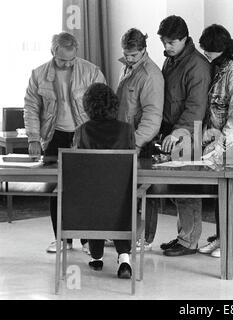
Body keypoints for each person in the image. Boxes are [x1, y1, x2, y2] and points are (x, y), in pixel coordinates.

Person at [24, 32, 106, 253]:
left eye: (71, 60)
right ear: (53, 53)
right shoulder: (38, 74)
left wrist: (100, 137)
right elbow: (31, 108)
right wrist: (33, 137)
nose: (68, 64)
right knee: (56, 189)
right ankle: (61, 238)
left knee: (87, 188)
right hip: (54, 136)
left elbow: (103, 106)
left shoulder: (91, 71)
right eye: (62, 61)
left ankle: (89, 239)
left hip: (84, 134)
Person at [156, 15, 211, 256]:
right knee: (179, 190)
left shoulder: (196, 65)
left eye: (171, 42)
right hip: (171, 131)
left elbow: (196, 107)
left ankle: (189, 242)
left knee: (188, 189)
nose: (166, 47)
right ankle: (183, 236)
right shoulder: (172, 59)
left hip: (188, 133)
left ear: (185, 39)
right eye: (164, 42)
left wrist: (178, 132)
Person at [196, 24, 233, 258]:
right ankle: (221, 238)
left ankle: (232, 242)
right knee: (220, 194)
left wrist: (220, 144)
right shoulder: (220, 66)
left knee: (230, 195)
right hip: (218, 140)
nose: (206, 54)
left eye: (209, 50)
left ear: (220, 48)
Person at [72, 83, 135, 279]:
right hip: (120, 197)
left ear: (88, 106)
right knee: (122, 201)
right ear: (114, 104)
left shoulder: (82, 131)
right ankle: (124, 259)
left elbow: (76, 165)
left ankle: (97, 257)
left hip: (92, 200)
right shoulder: (127, 130)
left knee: (93, 198)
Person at [116, 28, 164, 252]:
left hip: (140, 143)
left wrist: (135, 144)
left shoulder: (150, 75)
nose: (129, 58)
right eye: (126, 54)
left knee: (145, 192)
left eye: (133, 55)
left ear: (144, 50)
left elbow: (152, 117)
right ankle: (126, 234)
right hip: (125, 140)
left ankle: (145, 238)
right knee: (126, 191)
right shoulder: (127, 67)